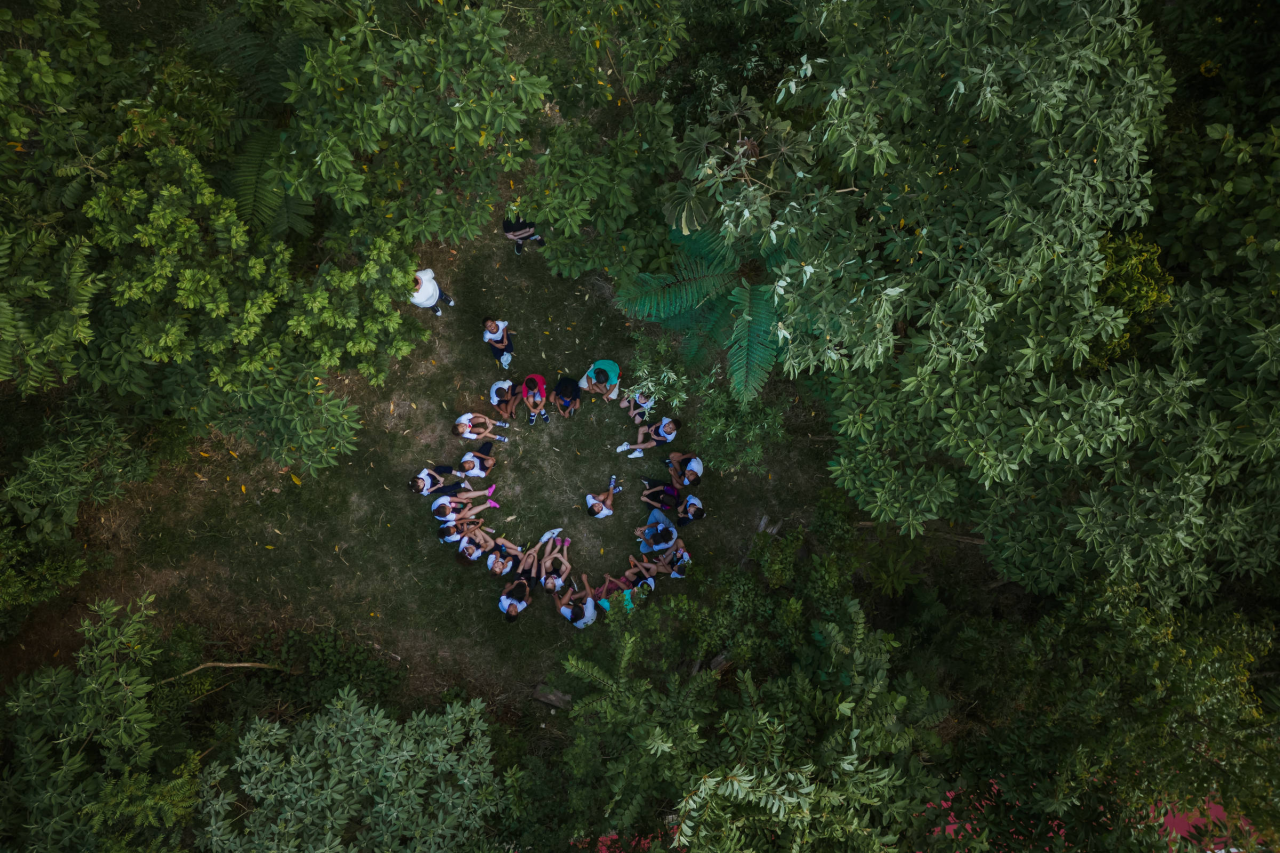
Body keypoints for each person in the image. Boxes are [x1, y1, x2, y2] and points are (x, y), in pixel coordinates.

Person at [616, 417, 680, 458]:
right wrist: (654, 426)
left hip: (661, 437)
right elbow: (662, 422)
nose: (666, 427)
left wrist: (656, 437)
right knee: (641, 429)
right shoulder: (667, 420)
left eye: (670, 428)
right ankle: (639, 451)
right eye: (668, 424)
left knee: (648, 445)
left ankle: (627, 446)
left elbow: (665, 439)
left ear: (673, 431)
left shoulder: (671, 436)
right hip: (658, 428)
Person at [431, 488, 497, 522]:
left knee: (463, 495)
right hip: (451, 508)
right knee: (467, 514)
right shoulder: (448, 517)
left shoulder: (441, 500)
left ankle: (486, 492)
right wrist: (467, 507)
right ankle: (488, 504)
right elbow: (459, 516)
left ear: (443, 505)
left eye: (449, 507)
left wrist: (463, 500)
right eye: (450, 511)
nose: (451, 509)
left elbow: (452, 499)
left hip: (449, 501)